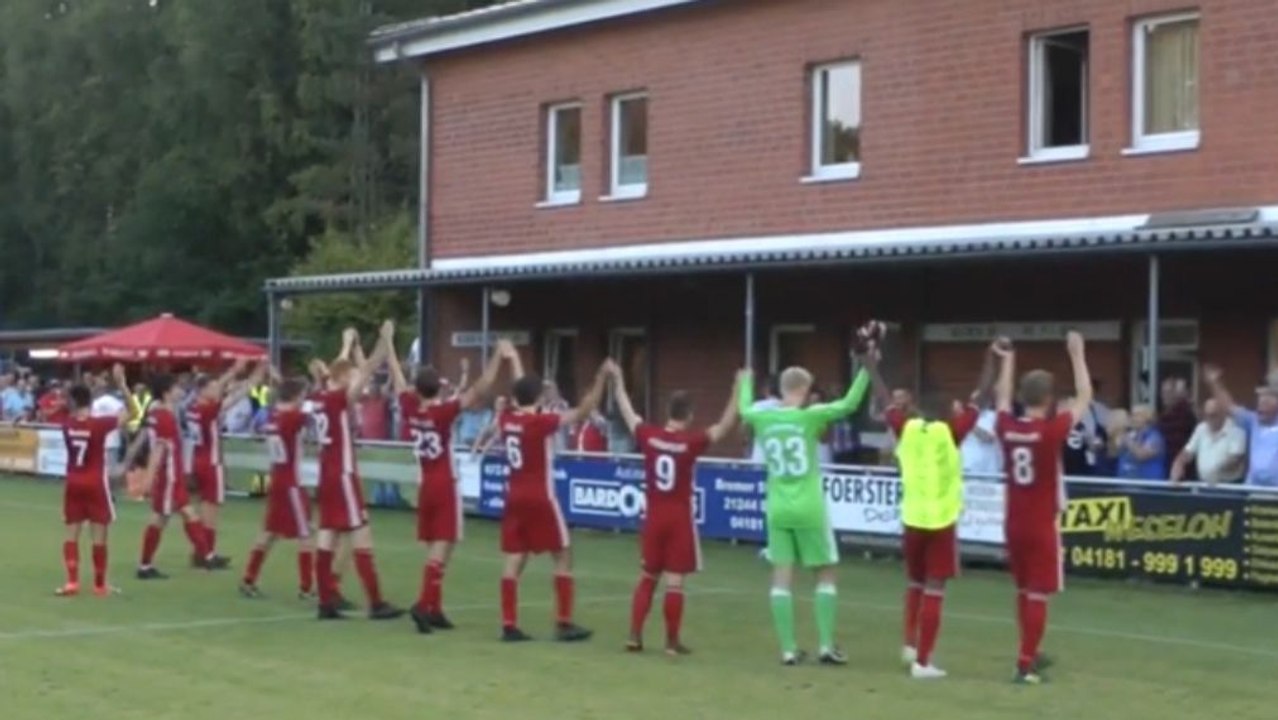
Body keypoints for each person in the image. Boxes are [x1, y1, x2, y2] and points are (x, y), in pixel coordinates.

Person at [738, 333, 872, 667]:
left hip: (778, 507)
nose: (811, 396)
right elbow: (849, 405)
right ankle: (826, 644)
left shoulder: (762, 417)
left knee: (781, 577)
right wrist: (867, 369)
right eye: (808, 390)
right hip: (809, 505)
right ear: (799, 390)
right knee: (825, 573)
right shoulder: (809, 417)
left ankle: (787, 649)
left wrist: (744, 382)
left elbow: (743, 409)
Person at [869, 338, 996, 679]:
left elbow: (884, 401)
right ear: (944, 411)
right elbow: (979, 399)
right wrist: (989, 360)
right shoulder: (950, 432)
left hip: (911, 518)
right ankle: (923, 662)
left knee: (913, 582)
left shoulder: (906, 428)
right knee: (935, 588)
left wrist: (869, 366)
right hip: (940, 520)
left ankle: (909, 644)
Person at [387, 335, 512, 634]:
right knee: (444, 545)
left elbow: (396, 375)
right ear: (437, 388)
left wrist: (389, 344)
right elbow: (479, 389)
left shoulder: (409, 407)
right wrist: (497, 356)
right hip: (445, 482)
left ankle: (435, 608)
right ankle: (423, 603)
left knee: (436, 545)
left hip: (425, 482)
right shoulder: (442, 413)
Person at [612, 367, 740, 655]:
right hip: (679, 517)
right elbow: (725, 425)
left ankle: (634, 635)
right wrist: (738, 389)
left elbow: (628, 413)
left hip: (654, 516)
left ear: (669, 411)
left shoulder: (650, 435)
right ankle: (671, 642)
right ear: (689, 414)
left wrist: (619, 382)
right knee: (675, 582)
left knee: (647, 576)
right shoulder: (690, 442)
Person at [993, 331, 1091, 685]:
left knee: (1023, 590)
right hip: (1040, 522)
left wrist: (1007, 360)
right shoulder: (1051, 432)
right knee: (1038, 592)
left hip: (1013, 520)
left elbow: (1001, 399)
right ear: (1049, 399)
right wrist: (1077, 355)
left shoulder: (1007, 427)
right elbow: (1085, 397)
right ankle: (1024, 663)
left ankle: (1029, 652)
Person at [496, 351, 613, 642]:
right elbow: (582, 411)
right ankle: (564, 621)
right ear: (537, 398)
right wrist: (600, 379)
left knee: (514, 559)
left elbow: (520, 393)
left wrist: (513, 361)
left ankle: (509, 624)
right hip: (540, 496)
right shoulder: (540, 422)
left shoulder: (506, 419)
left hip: (514, 496)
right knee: (562, 553)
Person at [311, 324, 403, 620]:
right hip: (343, 474)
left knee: (327, 536)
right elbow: (368, 370)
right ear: (341, 379)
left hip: (326, 474)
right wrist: (384, 341)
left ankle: (325, 599)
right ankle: (376, 602)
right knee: (361, 535)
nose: (356, 381)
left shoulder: (320, 398)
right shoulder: (338, 399)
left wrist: (346, 344)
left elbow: (332, 374)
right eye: (349, 376)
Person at [127, 373, 223, 579]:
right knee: (177, 515)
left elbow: (144, 439)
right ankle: (205, 556)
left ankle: (204, 556)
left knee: (171, 516)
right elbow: (159, 449)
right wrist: (148, 479)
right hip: (168, 474)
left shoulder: (156, 413)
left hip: (171, 474)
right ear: (167, 392)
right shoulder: (165, 417)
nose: (181, 391)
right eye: (177, 387)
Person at [56, 367, 132, 597]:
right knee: (99, 535)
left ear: (72, 401)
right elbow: (133, 412)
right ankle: (99, 585)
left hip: (73, 482)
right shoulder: (99, 425)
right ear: (90, 401)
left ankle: (72, 582)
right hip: (95, 482)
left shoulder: (68, 425)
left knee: (72, 533)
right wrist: (122, 384)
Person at [239, 375, 316, 599]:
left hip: (277, 478)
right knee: (305, 533)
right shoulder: (292, 416)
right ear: (296, 396)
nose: (305, 399)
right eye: (303, 394)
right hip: (291, 482)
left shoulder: (273, 415)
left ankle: (249, 578)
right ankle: (306, 586)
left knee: (269, 532)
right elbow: (315, 413)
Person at [185, 359, 259, 566]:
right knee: (211, 511)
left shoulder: (193, 408)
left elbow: (220, 389)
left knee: (199, 508)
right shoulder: (207, 411)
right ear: (203, 390)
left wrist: (233, 371)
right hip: (211, 461)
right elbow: (233, 398)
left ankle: (201, 551)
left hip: (197, 459)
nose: (216, 390)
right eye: (211, 388)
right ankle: (207, 553)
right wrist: (252, 379)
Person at [1203, 365, 1278, 487]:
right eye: (1259, 400)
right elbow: (1229, 407)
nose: (1261, 405)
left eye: (1267, 400)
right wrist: (1215, 383)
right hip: (1254, 491)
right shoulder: (1254, 422)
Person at [1170, 398, 1246, 486]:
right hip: (1204, 485)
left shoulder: (1236, 431)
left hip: (1228, 487)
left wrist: (1215, 470)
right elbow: (1188, 452)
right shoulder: (1201, 428)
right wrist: (1178, 463)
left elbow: (1235, 460)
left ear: (1223, 414)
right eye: (1206, 415)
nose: (1209, 419)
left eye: (1213, 415)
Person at [1116, 405, 1166, 481]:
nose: (1132, 418)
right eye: (1131, 415)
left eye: (1136, 415)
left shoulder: (1154, 437)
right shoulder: (1131, 435)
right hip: (1126, 484)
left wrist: (1127, 441)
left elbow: (1141, 455)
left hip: (1147, 486)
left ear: (1147, 418)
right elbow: (1114, 452)